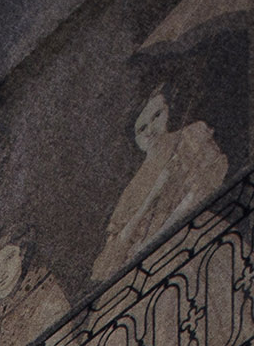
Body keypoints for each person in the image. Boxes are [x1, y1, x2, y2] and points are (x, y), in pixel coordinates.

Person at [94, 87, 231, 283]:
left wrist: (153, 240)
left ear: (168, 111)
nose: (150, 131)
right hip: (149, 270)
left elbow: (198, 194)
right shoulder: (132, 188)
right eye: (141, 129)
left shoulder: (189, 137)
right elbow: (112, 257)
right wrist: (153, 194)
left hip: (192, 238)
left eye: (157, 116)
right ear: (135, 139)